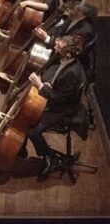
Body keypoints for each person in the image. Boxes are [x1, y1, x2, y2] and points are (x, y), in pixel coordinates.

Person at [23, 35, 89, 178]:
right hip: (58, 102)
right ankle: (21, 150)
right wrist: (47, 84)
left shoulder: (72, 73)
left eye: (58, 47)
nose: (54, 47)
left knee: (31, 130)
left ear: (68, 53)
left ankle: (49, 156)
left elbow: (59, 99)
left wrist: (40, 85)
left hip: (64, 110)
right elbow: (57, 81)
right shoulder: (65, 61)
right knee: (25, 117)